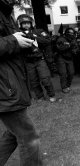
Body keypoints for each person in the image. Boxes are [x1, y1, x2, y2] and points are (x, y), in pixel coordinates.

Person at [0, 0, 43, 165]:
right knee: (29, 137)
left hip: (11, 86)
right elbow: (9, 41)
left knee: (13, 134)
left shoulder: (5, 12)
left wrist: (24, 43)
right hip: (5, 88)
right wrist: (13, 41)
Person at [17, 14, 58, 102]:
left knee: (45, 79)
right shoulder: (18, 34)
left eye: (28, 23)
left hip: (40, 59)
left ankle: (51, 95)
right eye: (24, 23)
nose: (26, 25)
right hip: (28, 61)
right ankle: (40, 96)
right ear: (20, 24)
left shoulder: (38, 31)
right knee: (34, 81)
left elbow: (48, 40)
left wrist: (34, 36)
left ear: (31, 23)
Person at [55, 27, 78, 93]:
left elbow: (76, 48)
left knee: (71, 73)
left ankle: (67, 85)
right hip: (61, 58)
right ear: (67, 33)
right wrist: (69, 45)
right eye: (70, 33)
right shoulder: (61, 39)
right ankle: (64, 87)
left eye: (73, 33)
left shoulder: (73, 39)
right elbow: (59, 48)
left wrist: (75, 50)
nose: (71, 34)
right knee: (63, 73)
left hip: (69, 58)